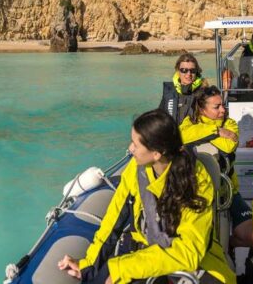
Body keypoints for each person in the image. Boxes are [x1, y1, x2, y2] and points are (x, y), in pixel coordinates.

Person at [58, 110, 235, 284]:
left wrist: (123, 268)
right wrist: (88, 265)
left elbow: (189, 253)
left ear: (157, 153)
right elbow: (113, 220)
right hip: (147, 252)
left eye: (136, 144)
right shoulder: (134, 171)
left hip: (196, 263)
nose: (130, 148)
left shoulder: (197, 181)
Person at [179, 86, 253, 249]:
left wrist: (203, 135)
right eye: (216, 107)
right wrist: (216, 131)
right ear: (201, 109)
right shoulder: (189, 123)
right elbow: (181, 136)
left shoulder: (230, 123)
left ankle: (232, 245)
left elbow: (228, 146)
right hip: (196, 193)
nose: (222, 110)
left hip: (228, 192)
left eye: (223, 105)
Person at [159, 53, 207, 125]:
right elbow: (159, 118)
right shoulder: (169, 91)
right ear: (178, 71)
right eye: (184, 70)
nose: (188, 74)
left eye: (192, 71)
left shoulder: (204, 92)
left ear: (197, 72)